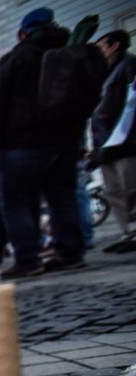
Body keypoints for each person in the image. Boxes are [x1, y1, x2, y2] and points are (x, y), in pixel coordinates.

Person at [0, 7, 87, 279]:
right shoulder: (71, 53)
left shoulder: (16, 58)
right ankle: (71, 253)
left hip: (21, 143)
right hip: (64, 140)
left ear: (22, 34)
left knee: (16, 203)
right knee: (62, 198)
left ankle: (28, 259)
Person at [92, 30, 136, 251]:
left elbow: (130, 105)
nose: (99, 52)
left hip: (124, 141)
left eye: (101, 47)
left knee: (131, 188)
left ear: (114, 46)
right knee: (116, 191)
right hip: (106, 144)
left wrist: (121, 136)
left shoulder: (129, 66)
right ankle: (128, 232)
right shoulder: (105, 72)